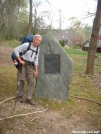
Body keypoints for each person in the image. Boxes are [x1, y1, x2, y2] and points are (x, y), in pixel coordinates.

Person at [14, 34, 42, 105]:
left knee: (31, 81)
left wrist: (36, 70)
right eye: (36, 40)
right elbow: (16, 50)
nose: (37, 41)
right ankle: (19, 96)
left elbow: (36, 60)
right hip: (23, 64)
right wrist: (20, 60)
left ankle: (28, 98)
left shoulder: (38, 49)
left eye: (39, 40)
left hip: (30, 66)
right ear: (33, 39)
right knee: (21, 79)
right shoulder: (27, 45)